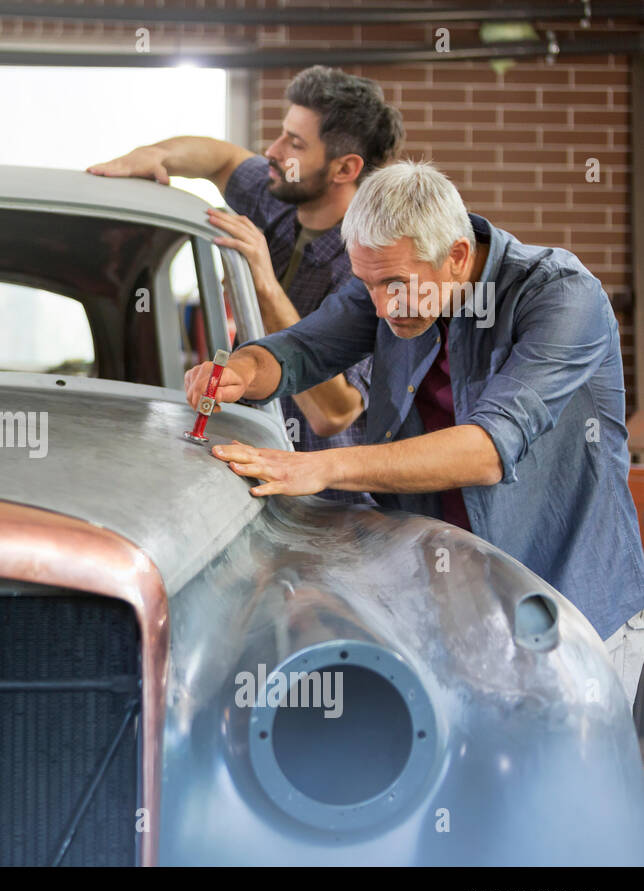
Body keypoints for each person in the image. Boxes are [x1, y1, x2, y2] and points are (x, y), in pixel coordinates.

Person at [184, 160, 644, 709]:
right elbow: (303, 349)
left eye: (394, 285)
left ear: (454, 256)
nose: (380, 307)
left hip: (570, 610)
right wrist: (243, 370)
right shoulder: (389, 284)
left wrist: (321, 467)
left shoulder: (561, 298)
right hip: (450, 602)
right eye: (368, 284)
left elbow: (488, 448)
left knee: (574, 789)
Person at [88, 65, 404, 504]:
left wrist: (263, 285)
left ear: (345, 168)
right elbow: (220, 158)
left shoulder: (368, 264)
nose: (272, 151)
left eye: (295, 143)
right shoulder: (274, 196)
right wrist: (154, 153)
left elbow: (334, 413)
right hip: (254, 471)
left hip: (327, 505)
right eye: (281, 133)